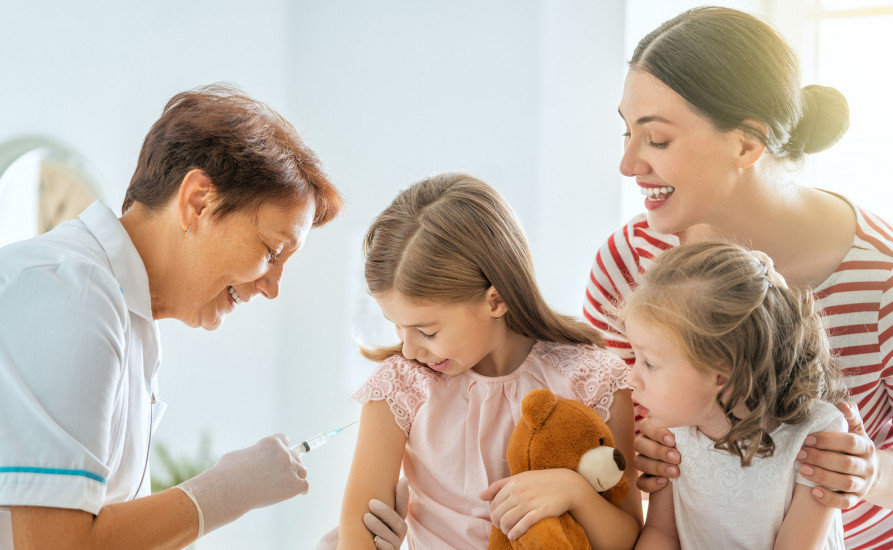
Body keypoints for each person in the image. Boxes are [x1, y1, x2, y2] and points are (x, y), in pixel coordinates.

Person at [583, 6, 892, 548]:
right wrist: (635, 456)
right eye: (626, 133)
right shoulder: (627, 262)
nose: (628, 164)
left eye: (655, 140)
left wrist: (869, 473)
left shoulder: (881, 274)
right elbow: (608, 435)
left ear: (748, 143)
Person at [0, 84, 345, 549]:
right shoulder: (73, 290)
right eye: (271, 251)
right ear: (198, 200)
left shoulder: (127, 315)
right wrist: (227, 490)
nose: (271, 286)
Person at [334, 173, 642, 549]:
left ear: (495, 301)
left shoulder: (592, 379)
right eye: (398, 328)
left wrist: (575, 492)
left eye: (427, 332)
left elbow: (627, 539)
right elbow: (357, 533)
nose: (411, 350)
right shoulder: (400, 387)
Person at [619, 241, 847, 549]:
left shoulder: (816, 435)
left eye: (650, 363)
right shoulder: (671, 430)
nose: (631, 378)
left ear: (721, 375)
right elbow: (662, 534)